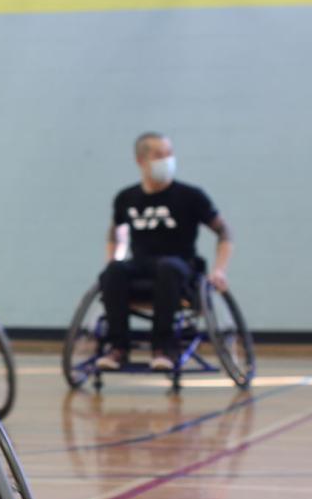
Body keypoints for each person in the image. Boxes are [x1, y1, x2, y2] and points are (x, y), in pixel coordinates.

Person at [99, 132, 234, 372]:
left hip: (181, 267)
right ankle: (117, 347)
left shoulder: (191, 196)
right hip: (141, 266)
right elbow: (115, 233)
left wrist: (220, 270)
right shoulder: (126, 198)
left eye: (169, 154)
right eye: (159, 155)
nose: (167, 160)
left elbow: (224, 233)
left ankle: (163, 347)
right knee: (114, 271)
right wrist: (112, 259)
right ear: (141, 161)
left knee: (168, 267)